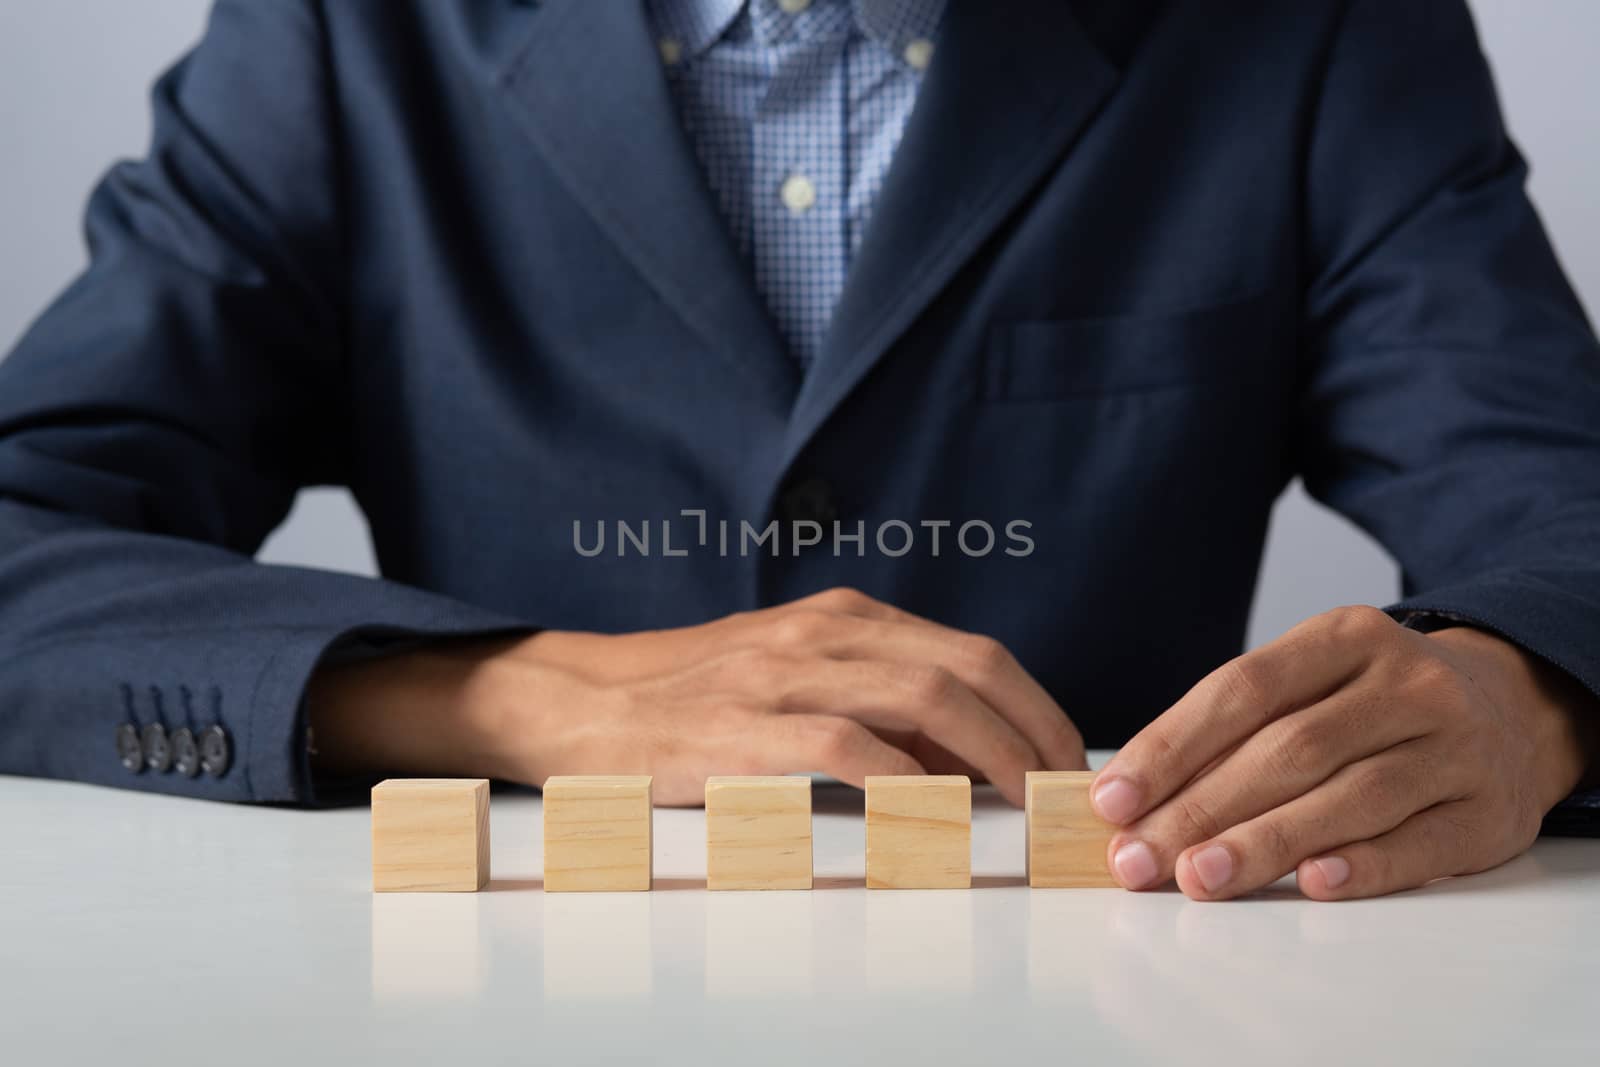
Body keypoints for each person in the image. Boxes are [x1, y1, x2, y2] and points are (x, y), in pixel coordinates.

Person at [1, 0, 1598, 903]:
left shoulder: (1314, 32)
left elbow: (1565, 514)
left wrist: (1528, 696)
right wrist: (513, 692)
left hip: (1115, 985)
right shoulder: (343, 38)